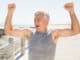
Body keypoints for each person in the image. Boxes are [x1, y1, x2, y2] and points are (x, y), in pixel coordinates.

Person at [4, 3, 80, 60]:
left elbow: (76, 31)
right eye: (35, 19)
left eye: (38, 19)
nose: (35, 22)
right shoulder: (29, 34)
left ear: (46, 22)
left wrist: (71, 12)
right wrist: (10, 12)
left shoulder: (53, 34)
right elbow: (8, 31)